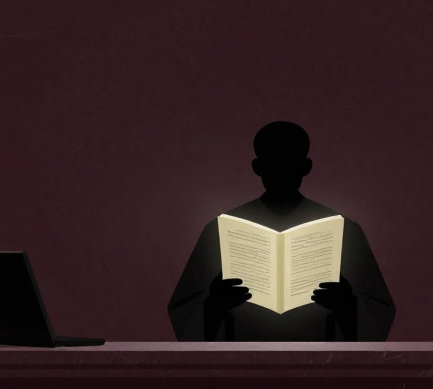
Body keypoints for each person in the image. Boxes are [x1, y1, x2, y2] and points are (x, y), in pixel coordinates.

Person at [167, 121, 396, 341]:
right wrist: (214, 304)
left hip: (320, 364)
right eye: (273, 162)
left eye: (290, 162)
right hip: (242, 363)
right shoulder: (218, 231)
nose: (282, 170)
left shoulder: (346, 232)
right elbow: (185, 308)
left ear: (305, 167)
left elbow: (377, 310)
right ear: (258, 167)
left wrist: (347, 306)